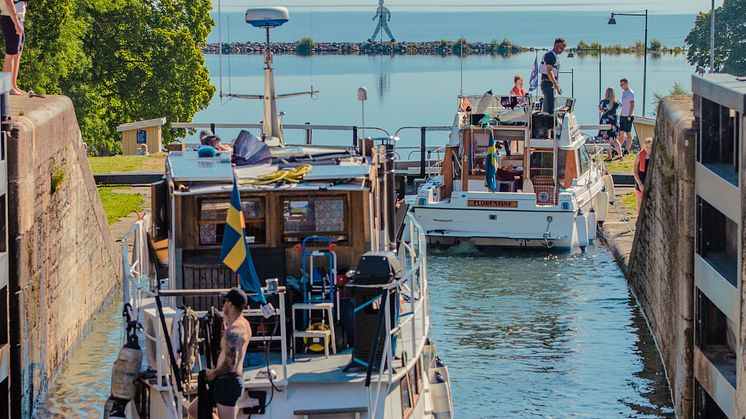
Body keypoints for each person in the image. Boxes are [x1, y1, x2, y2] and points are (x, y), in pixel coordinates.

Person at [187, 288, 251, 419]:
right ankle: (237, 407)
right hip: (224, 380)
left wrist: (213, 373)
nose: (222, 305)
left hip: (228, 382)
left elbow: (231, 363)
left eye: (224, 301)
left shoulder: (232, 332)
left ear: (230, 304)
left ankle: (237, 407)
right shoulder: (245, 324)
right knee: (193, 410)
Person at [1, 0, 26, 95]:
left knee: (17, 53)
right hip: (10, 19)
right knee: (10, 54)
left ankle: (13, 85)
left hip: (18, 19)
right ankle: (6, 88)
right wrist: (16, 23)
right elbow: (8, 2)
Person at [539, 37, 566, 114]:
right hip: (547, 83)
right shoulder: (551, 55)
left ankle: (548, 122)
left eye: (563, 48)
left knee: (549, 106)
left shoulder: (554, 56)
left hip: (550, 84)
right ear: (556, 45)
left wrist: (555, 85)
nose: (562, 50)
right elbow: (549, 70)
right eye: (561, 47)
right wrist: (556, 84)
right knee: (549, 109)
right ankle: (549, 124)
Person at [598, 87, 622, 161]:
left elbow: (600, 109)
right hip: (614, 122)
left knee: (607, 141)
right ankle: (620, 154)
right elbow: (620, 107)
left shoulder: (603, 102)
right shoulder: (616, 102)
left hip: (605, 122)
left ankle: (610, 157)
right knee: (615, 140)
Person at [633, 137, 653, 213]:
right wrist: (640, 184)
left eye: (650, 147)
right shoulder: (639, 156)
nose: (648, 149)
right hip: (641, 181)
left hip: (651, 182)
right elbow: (635, 172)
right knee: (639, 203)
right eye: (646, 147)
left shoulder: (655, 157)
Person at [619, 78, 635, 155]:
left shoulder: (630, 93)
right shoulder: (624, 93)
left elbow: (632, 105)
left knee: (628, 133)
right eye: (620, 85)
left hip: (628, 116)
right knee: (621, 133)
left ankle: (627, 149)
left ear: (626, 84)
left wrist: (629, 114)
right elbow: (624, 104)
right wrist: (621, 112)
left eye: (622, 84)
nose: (621, 86)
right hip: (623, 115)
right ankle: (618, 148)